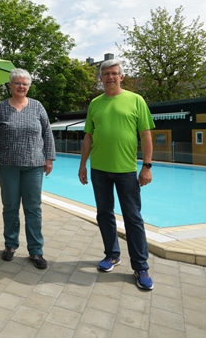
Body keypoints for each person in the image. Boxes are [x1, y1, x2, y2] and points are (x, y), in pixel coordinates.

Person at [78, 59, 156, 291]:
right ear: (100, 78)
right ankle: (112, 255)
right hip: (99, 169)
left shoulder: (135, 100)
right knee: (104, 214)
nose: (110, 77)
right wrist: (83, 165)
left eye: (114, 73)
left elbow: (146, 134)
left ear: (121, 77)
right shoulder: (95, 103)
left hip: (126, 170)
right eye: (106, 74)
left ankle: (141, 266)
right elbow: (88, 137)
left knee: (133, 217)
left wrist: (147, 166)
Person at [0, 68, 55, 269]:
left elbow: (47, 132)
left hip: (33, 166)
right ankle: (10, 244)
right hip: (7, 166)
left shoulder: (37, 107)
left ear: (29, 86)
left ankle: (36, 250)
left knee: (33, 208)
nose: (21, 87)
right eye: (17, 83)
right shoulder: (1, 108)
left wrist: (49, 157)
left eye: (25, 84)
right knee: (10, 207)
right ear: (10, 85)